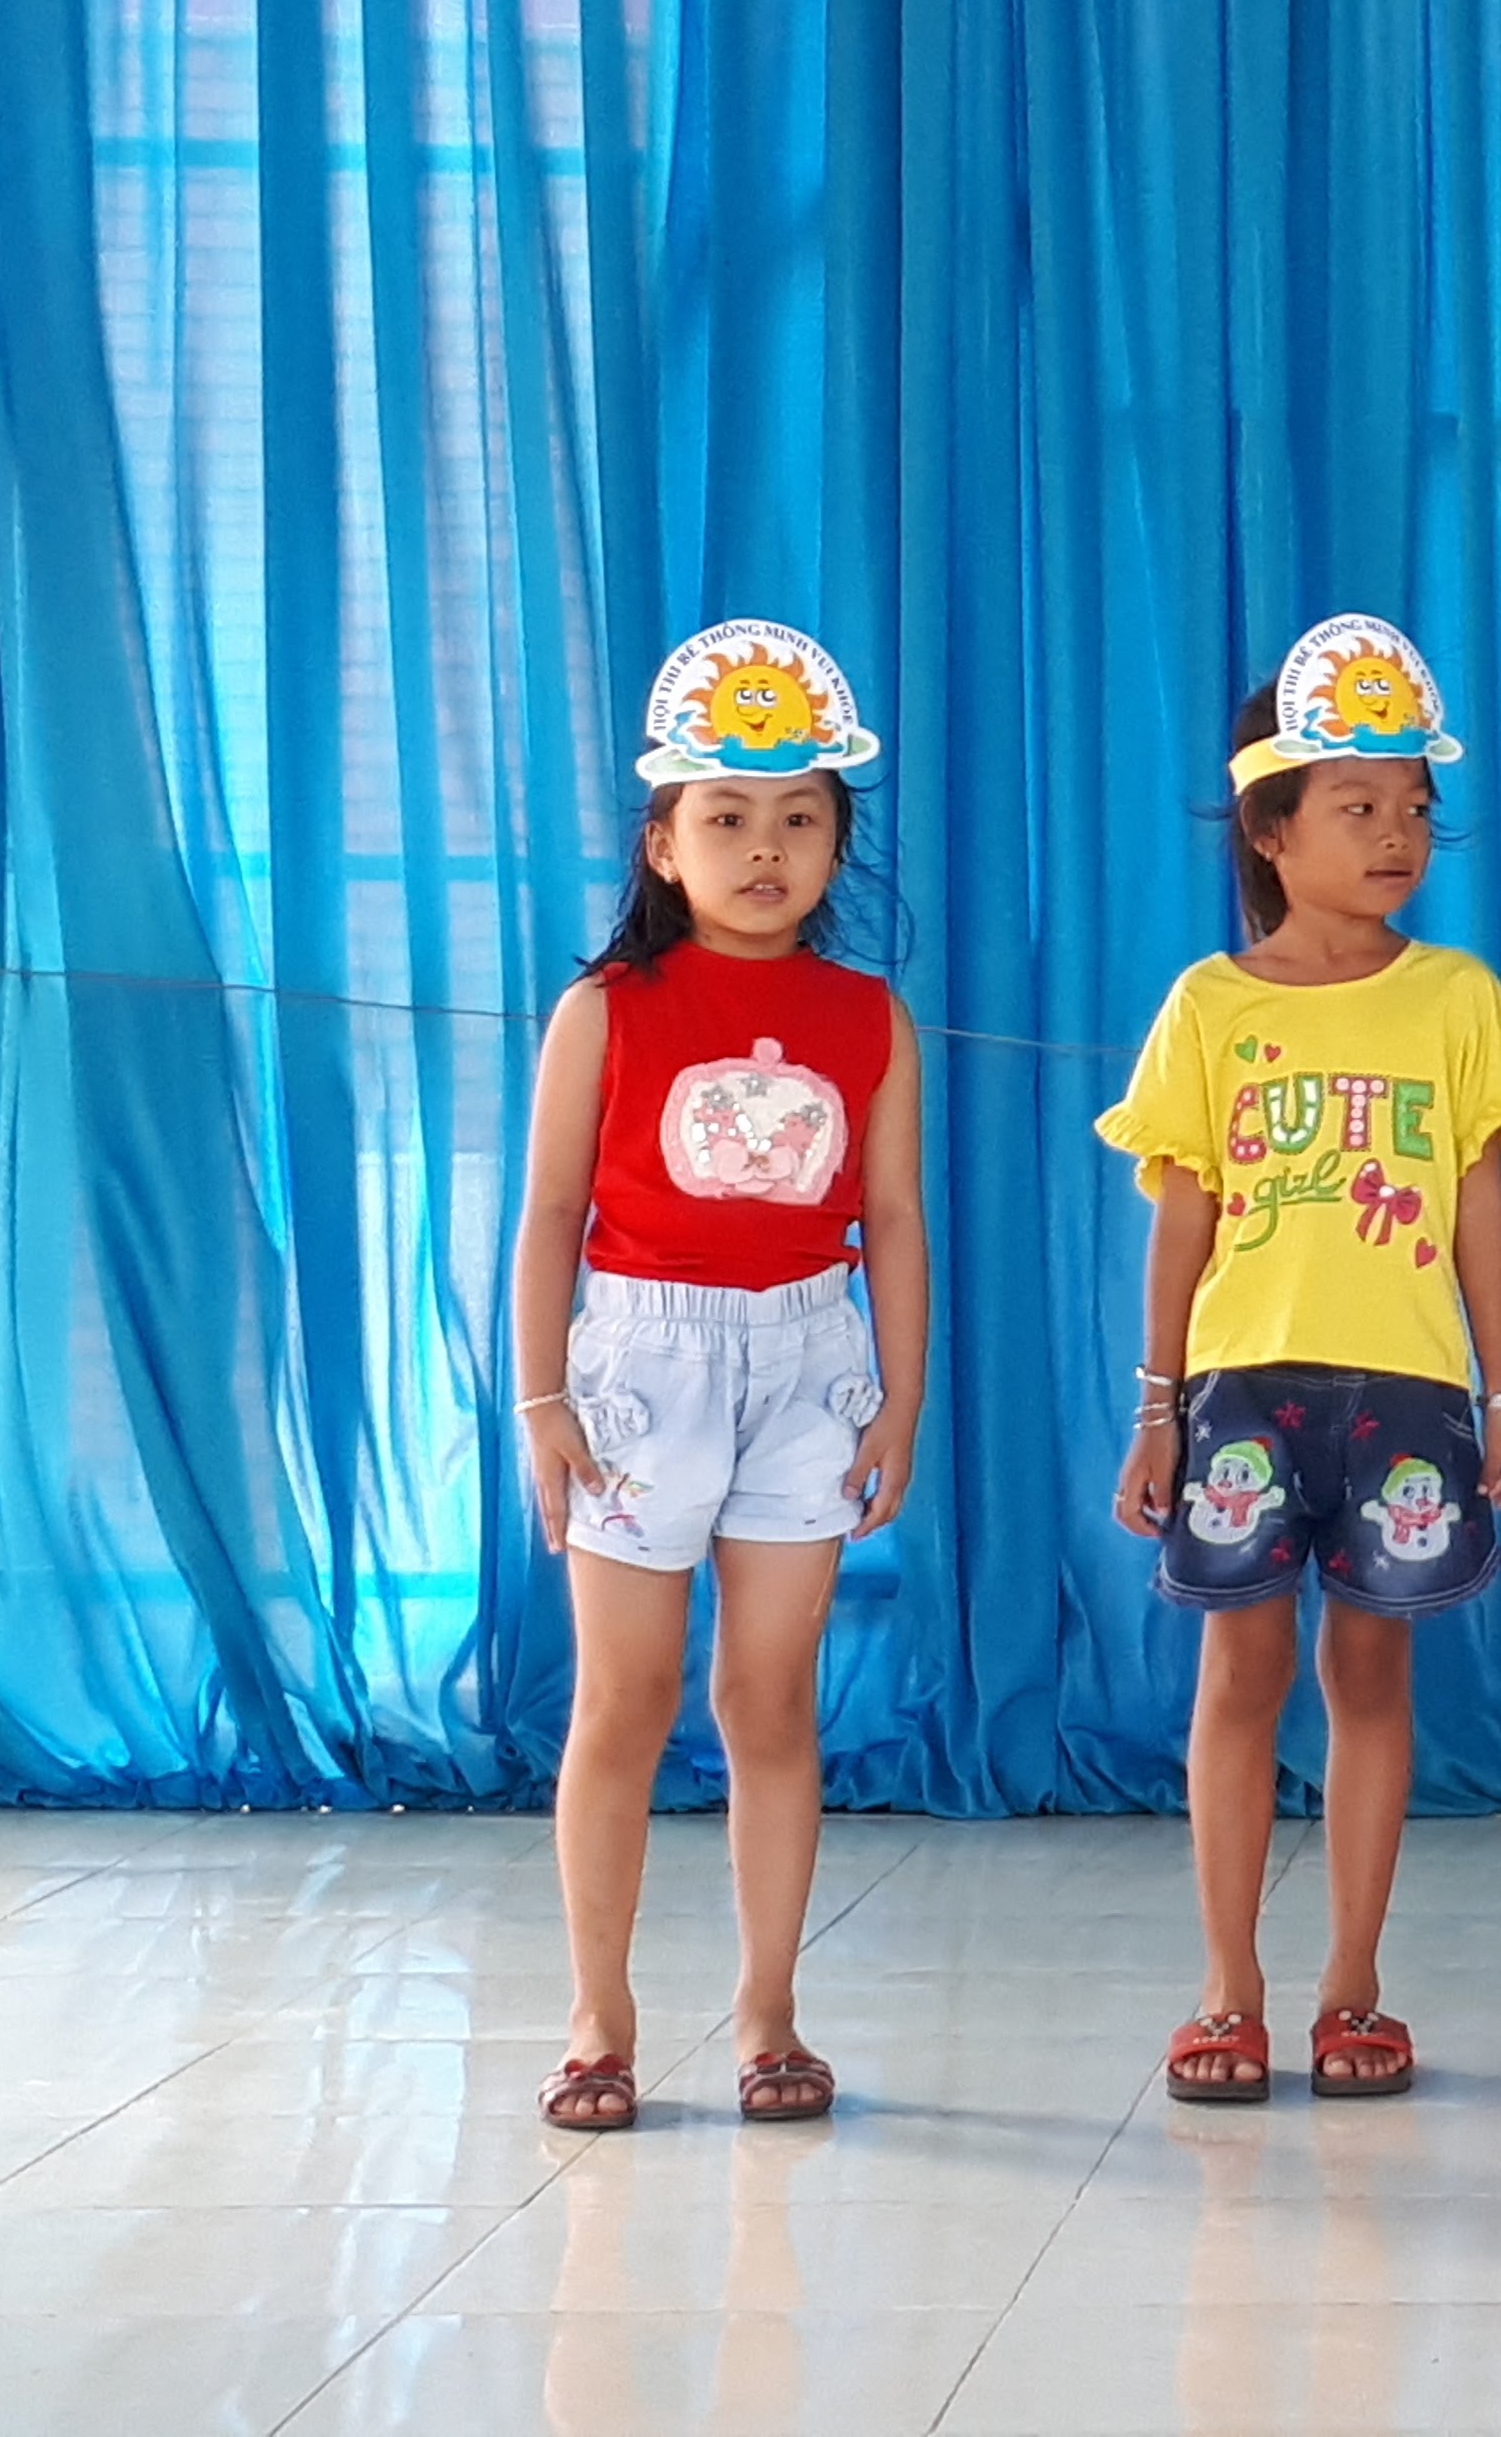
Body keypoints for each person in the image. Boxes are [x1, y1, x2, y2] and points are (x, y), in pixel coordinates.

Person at [1103, 616, 1501, 2104]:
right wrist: (1158, 1408)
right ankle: (1227, 1990)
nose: (1396, 836)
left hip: (1409, 1393)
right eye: (1358, 805)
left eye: (1415, 808)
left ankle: (1354, 1988)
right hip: (1243, 1389)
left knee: (1372, 1675)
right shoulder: (1211, 1006)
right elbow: (1185, 1214)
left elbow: (1480, 1205)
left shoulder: (1457, 999)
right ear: (1271, 827)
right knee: (1240, 1674)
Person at [510, 622, 927, 2134]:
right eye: (729, 817)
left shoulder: (870, 1017)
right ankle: (599, 2016)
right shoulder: (605, 1009)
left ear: (834, 844)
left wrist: (898, 1399)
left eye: (800, 819)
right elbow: (552, 1213)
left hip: (810, 1367)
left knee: (769, 1699)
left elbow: (893, 1219)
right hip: (641, 1367)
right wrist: (545, 1404)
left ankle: (769, 2013)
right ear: (664, 843)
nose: (766, 849)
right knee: (623, 1699)